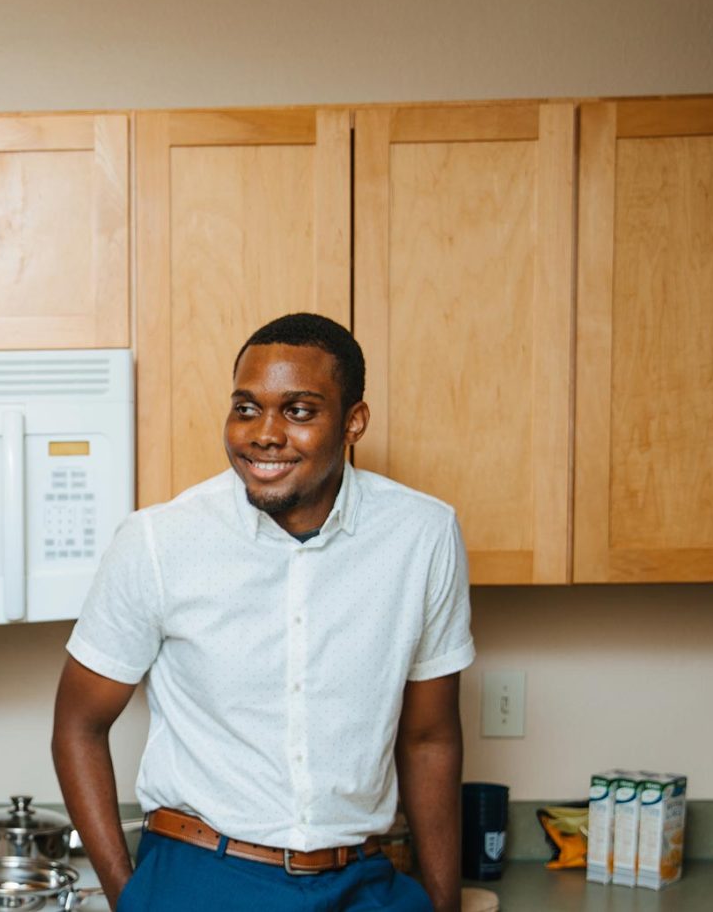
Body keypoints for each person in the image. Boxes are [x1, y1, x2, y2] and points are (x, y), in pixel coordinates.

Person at [52, 312, 472, 912]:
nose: (264, 433)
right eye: (246, 408)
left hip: (363, 879)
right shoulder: (157, 541)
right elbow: (78, 726)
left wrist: (442, 905)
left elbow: (430, 738)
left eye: (299, 410)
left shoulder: (423, 534)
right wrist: (131, 897)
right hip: (198, 877)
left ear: (354, 422)